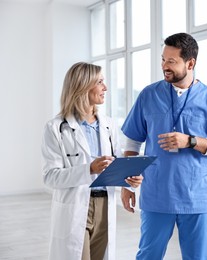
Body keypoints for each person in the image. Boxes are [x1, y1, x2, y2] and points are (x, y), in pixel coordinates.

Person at [120, 32, 207, 259]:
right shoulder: (148, 95)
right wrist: (128, 184)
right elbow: (133, 139)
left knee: (195, 257)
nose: (164, 66)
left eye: (171, 61)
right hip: (156, 193)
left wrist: (190, 141)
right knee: (148, 254)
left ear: (190, 63)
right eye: (163, 59)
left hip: (195, 195)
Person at [41, 62, 143, 260]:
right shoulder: (55, 128)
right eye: (100, 82)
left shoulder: (108, 125)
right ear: (83, 85)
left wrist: (130, 179)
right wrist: (89, 169)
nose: (105, 88)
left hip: (104, 206)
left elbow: (116, 165)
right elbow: (50, 177)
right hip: (76, 206)